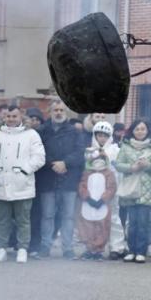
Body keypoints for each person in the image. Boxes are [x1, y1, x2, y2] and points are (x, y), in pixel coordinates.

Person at [0, 105, 46, 263]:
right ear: (4, 117)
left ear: (20, 117)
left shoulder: (31, 135)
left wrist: (24, 171)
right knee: (2, 219)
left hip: (22, 184)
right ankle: (1, 248)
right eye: (8, 116)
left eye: (14, 116)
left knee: (23, 219)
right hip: (1, 183)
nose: (11, 119)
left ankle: (22, 248)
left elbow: (39, 157)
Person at [36, 100, 85, 259]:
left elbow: (79, 153)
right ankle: (45, 247)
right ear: (50, 112)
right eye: (55, 110)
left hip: (69, 179)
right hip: (48, 179)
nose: (58, 113)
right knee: (47, 215)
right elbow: (38, 152)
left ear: (66, 113)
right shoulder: (42, 131)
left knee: (68, 216)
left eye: (61, 110)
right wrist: (53, 164)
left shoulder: (74, 132)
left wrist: (65, 163)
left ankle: (68, 248)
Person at [115, 119, 151, 263]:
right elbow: (118, 164)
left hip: (147, 190)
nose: (140, 132)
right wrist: (131, 167)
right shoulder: (125, 146)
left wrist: (148, 165)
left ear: (147, 130)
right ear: (132, 131)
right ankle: (131, 250)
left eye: (143, 129)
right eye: (137, 129)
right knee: (131, 222)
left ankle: (141, 251)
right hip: (131, 188)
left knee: (143, 222)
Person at [77, 129, 118, 261]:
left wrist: (103, 199)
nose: (98, 163)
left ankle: (99, 249)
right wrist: (87, 197)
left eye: (101, 161)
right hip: (88, 203)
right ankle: (89, 248)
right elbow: (82, 186)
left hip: (103, 204)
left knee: (102, 226)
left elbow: (111, 188)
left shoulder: (109, 174)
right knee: (87, 225)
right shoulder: (87, 173)